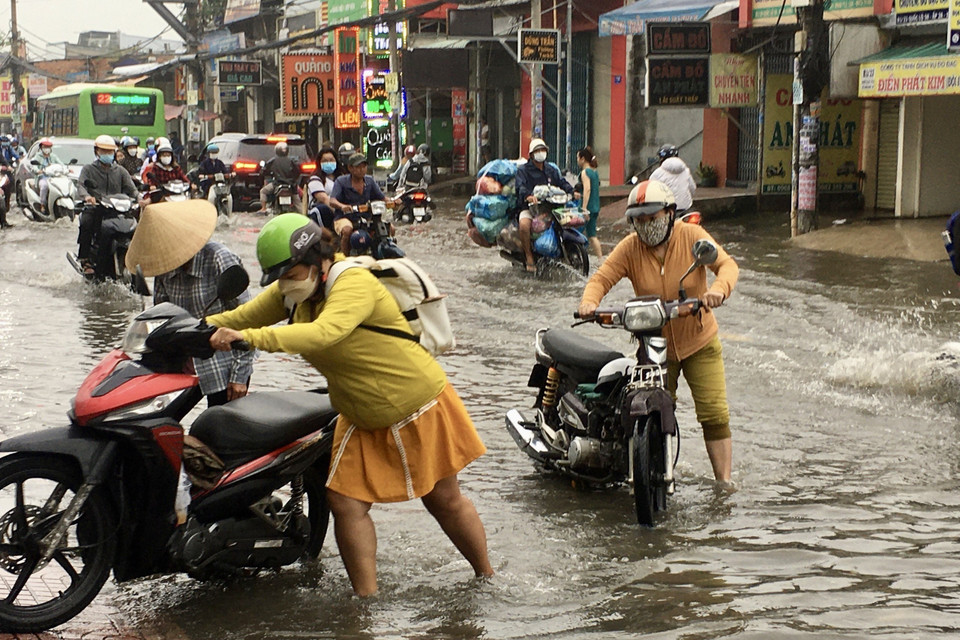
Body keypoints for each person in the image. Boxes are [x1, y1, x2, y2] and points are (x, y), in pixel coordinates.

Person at [205, 213, 494, 596]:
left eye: (290, 272)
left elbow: (325, 333)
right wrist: (192, 329)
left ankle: (486, 579)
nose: (284, 282)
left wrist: (250, 339)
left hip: (417, 403)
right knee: (343, 501)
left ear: (317, 259)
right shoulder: (294, 291)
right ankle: (366, 602)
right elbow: (240, 316)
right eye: (278, 276)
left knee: (443, 501)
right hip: (361, 413)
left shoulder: (352, 282)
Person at [577, 180, 739, 485]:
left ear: (669, 213)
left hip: (699, 341)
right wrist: (589, 303)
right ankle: (651, 475)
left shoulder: (692, 236)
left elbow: (726, 264)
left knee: (715, 415)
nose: (646, 225)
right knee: (649, 409)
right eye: (639, 220)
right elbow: (601, 279)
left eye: (652, 218)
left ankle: (724, 483)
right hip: (654, 345)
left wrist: (719, 289)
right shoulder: (629, 248)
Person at [125, 200, 255, 407]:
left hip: (222, 364)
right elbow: (160, 319)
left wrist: (240, 375)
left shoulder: (218, 259)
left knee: (220, 430)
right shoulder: (164, 268)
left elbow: (248, 319)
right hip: (182, 363)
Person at [76, 134, 140, 276]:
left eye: (110, 151)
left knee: (135, 223)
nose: (107, 154)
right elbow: (81, 185)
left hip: (117, 210)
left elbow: (132, 189)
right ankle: (85, 259)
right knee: (86, 221)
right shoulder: (88, 169)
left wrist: (140, 198)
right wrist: (87, 197)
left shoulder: (121, 171)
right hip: (97, 207)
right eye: (103, 151)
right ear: (96, 152)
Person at [514, 138, 575, 272]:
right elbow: (520, 186)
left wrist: (572, 191)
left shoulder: (551, 169)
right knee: (524, 225)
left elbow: (561, 182)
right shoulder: (523, 170)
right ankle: (529, 256)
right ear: (531, 155)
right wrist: (528, 196)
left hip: (551, 206)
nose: (541, 153)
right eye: (537, 151)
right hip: (530, 207)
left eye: (543, 150)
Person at [328, 152, 387, 255]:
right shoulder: (341, 181)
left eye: (364, 166)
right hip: (344, 217)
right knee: (347, 230)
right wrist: (343, 206)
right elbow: (332, 200)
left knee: (389, 228)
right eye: (358, 167)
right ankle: (344, 257)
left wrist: (393, 201)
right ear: (350, 168)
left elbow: (382, 197)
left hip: (366, 217)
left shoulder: (370, 181)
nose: (362, 169)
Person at [305, 145, 344, 235]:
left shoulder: (342, 178)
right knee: (323, 209)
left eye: (331, 160)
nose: (328, 163)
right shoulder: (315, 179)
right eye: (325, 161)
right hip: (323, 212)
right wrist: (340, 210)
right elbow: (324, 199)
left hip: (341, 209)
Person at [650, 144, 696, 213]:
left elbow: (650, 193)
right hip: (686, 208)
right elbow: (693, 189)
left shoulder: (657, 174)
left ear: (662, 158)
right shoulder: (686, 171)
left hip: (667, 210)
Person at [142, 138, 190, 204]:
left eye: (168, 155)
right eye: (164, 155)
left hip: (177, 194)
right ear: (159, 156)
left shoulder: (176, 168)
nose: (166, 157)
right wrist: (152, 186)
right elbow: (151, 180)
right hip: (161, 193)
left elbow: (184, 179)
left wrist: (190, 184)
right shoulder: (156, 168)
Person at [258, 141, 302, 213]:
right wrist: (293, 180)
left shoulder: (273, 161)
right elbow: (298, 172)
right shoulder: (292, 161)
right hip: (291, 185)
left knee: (263, 191)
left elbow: (264, 171)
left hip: (277, 184)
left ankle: (263, 208)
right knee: (298, 204)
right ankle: (303, 216)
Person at [577, 147, 603, 259]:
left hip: (588, 207)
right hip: (595, 206)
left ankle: (579, 255)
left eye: (577, 158)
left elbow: (587, 190)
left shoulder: (585, 172)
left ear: (582, 159)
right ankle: (600, 259)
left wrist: (584, 208)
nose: (577, 160)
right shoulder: (594, 172)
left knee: (577, 232)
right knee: (592, 235)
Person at [196, 144, 235, 211]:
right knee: (210, 197)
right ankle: (209, 210)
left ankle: (229, 212)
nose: (214, 154)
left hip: (220, 183)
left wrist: (230, 174)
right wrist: (206, 176)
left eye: (215, 153)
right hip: (209, 184)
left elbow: (225, 171)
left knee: (229, 196)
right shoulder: (204, 163)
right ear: (209, 153)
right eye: (212, 153)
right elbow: (200, 174)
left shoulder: (219, 163)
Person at [35, 138, 64, 215]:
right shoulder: (38, 156)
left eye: (48, 147)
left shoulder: (53, 156)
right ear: (41, 148)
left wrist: (66, 169)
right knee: (44, 186)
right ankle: (43, 205)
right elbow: (34, 166)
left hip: (54, 178)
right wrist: (38, 171)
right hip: (43, 177)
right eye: (45, 147)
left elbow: (60, 163)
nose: (46, 149)